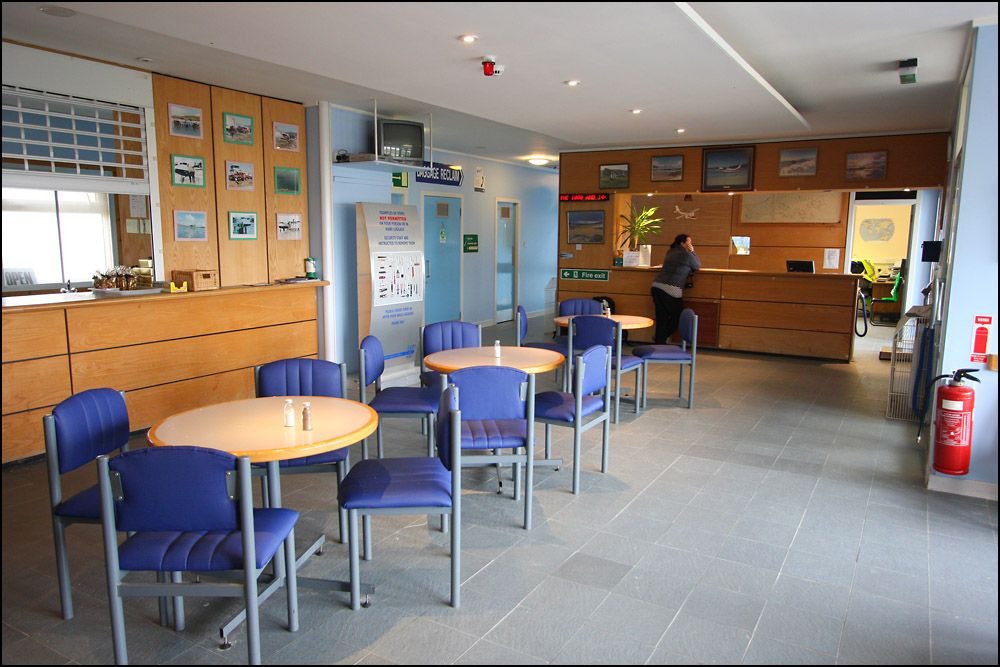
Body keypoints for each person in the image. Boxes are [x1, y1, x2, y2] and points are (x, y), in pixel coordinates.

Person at [650, 233, 700, 344]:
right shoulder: (686, 254)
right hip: (671, 289)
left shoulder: (670, 251)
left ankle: (659, 342)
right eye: (689, 243)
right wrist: (692, 252)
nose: (691, 245)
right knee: (678, 316)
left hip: (656, 286)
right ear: (682, 244)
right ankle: (660, 338)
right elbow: (697, 266)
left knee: (662, 317)